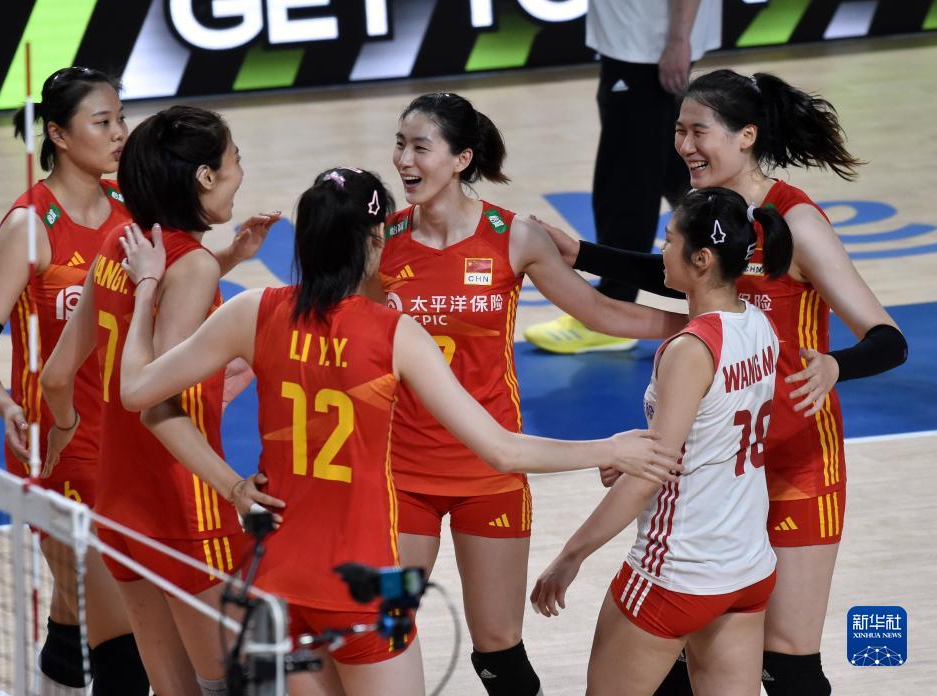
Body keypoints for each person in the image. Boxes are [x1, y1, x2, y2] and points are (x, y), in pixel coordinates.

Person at [113, 167, 683, 696]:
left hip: (278, 579)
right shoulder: (394, 332)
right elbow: (501, 450)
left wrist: (146, 289)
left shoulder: (253, 311)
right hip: (362, 581)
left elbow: (138, 393)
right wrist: (610, 448)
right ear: (373, 242)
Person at [534, 69, 909, 695]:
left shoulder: (797, 222)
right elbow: (679, 270)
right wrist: (584, 254)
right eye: (678, 130)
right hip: (722, 460)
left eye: (697, 131)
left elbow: (888, 339)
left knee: (786, 659)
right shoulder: (712, 219)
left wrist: (837, 365)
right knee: (690, 644)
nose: (683, 145)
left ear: (746, 136)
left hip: (794, 460)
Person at [382, 92, 689, 696]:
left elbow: (599, 311)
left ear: (462, 158)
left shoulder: (513, 236)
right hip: (400, 474)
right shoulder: (381, 242)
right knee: (386, 632)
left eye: (420, 147)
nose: (403, 160)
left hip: (491, 471)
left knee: (498, 648)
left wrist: (705, 327)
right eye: (399, 144)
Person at [40, 105, 279, 696]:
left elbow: (56, 376)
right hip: (185, 508)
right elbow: (154, 400)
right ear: (204, 175)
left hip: (118, 503)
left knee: (172, 687)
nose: (240, 174)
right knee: (234, 687)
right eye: (235, 161)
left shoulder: (117, 244)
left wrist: (65, 430)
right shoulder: (188, 267)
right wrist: (234, 487)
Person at [531, 187, 792, 695]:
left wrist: (570, 556)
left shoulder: (690, 348)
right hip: (748, 568)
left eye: (669, 240)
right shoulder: (760, 324)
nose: (662, 249)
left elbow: (649, 477)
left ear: (701, 259)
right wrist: (639, 450)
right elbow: (713, 430)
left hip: (677, 570)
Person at [0, 66, 148, 694]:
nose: (120, 133)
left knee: (77, 603)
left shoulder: (133, 211)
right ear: (58, 134)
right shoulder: (29, 227)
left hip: (129, 442)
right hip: (59, 450)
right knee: (122, 626)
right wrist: (7, 406)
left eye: (121, 119)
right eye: (103, 122)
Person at [524, 0, 721, 354]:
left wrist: (678, 39)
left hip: (648, 47)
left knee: (626, 184)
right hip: (638, 43)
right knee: (674, 171)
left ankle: (611, 312)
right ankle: (740, 271)